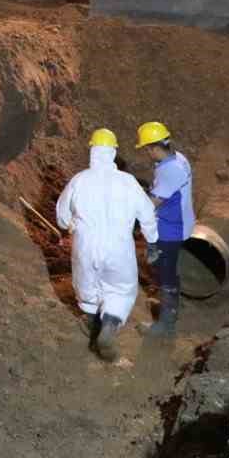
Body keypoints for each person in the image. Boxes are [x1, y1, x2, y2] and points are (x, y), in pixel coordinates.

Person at [56, 128, 160, 361]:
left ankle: (92, 322)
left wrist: (69, 222)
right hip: (118, 249)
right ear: (113, 153)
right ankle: (109, 327)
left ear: (92, 150)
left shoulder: (79, 180)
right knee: (120, 291)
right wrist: (152, 243)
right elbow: (147, 215)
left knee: (87, 288)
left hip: (85, 247)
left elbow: (61, 216)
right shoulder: (128, 182)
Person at [136, 121, 194, 338]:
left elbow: (152, 203)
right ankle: (168, 306)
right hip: (177, 221)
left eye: (146, 149)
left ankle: (166, 325)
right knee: (166, 269)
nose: (147, 153)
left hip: (171, 229)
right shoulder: (178, 158)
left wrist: (131, 204)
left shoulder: (171, 170)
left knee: (166, 272)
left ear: (153, 148)